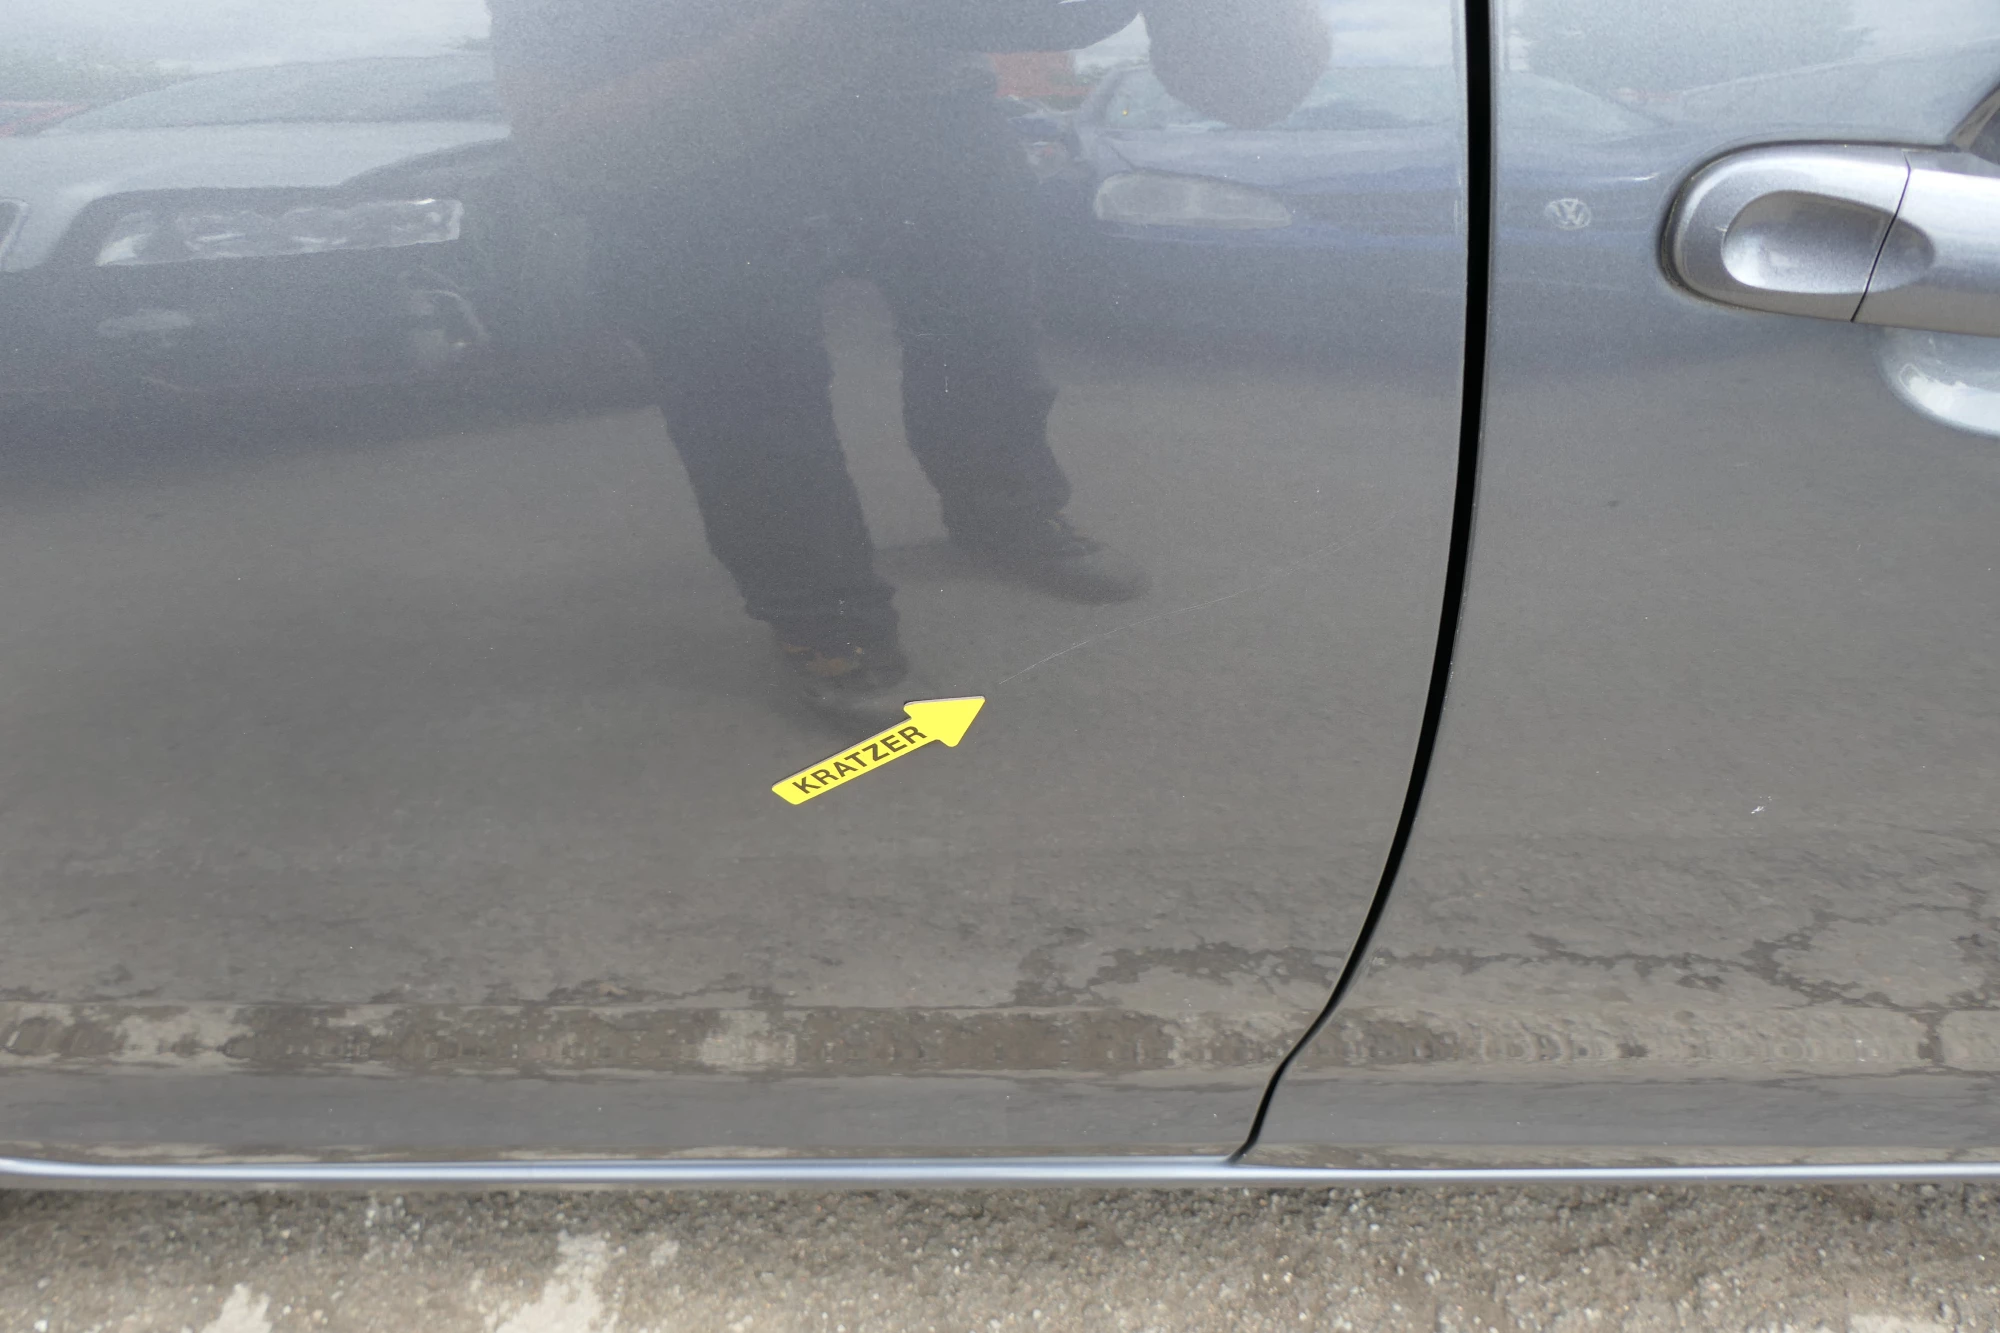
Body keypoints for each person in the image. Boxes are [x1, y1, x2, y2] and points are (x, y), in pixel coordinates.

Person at [488, 0, 1326, 725]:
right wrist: (824, 24)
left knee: (982, 327)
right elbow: (566, 144)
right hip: (684, 141)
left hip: (923, 110)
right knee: (744, 388)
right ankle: (826, 621)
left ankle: (1003, 512)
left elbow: (1250, 87)